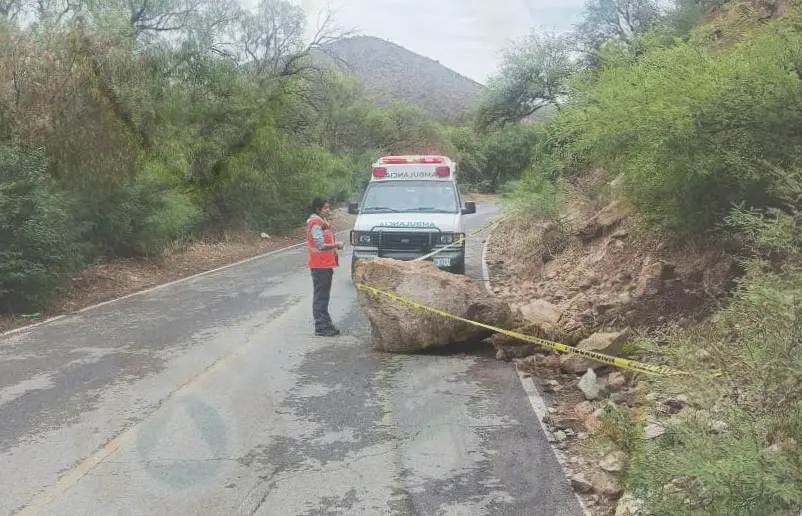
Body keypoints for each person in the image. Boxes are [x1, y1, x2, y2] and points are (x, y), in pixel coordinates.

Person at [306, 198, 345, 337]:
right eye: (326, 208)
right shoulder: (316, 224)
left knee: (323, 297)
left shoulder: (321, 223)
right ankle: (321, 327)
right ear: (318, 209)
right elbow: (320, 245)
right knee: (321, 297)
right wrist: (336, 245)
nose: (329, 210)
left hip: (324, 265)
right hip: (319, 265)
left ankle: (326, 325)